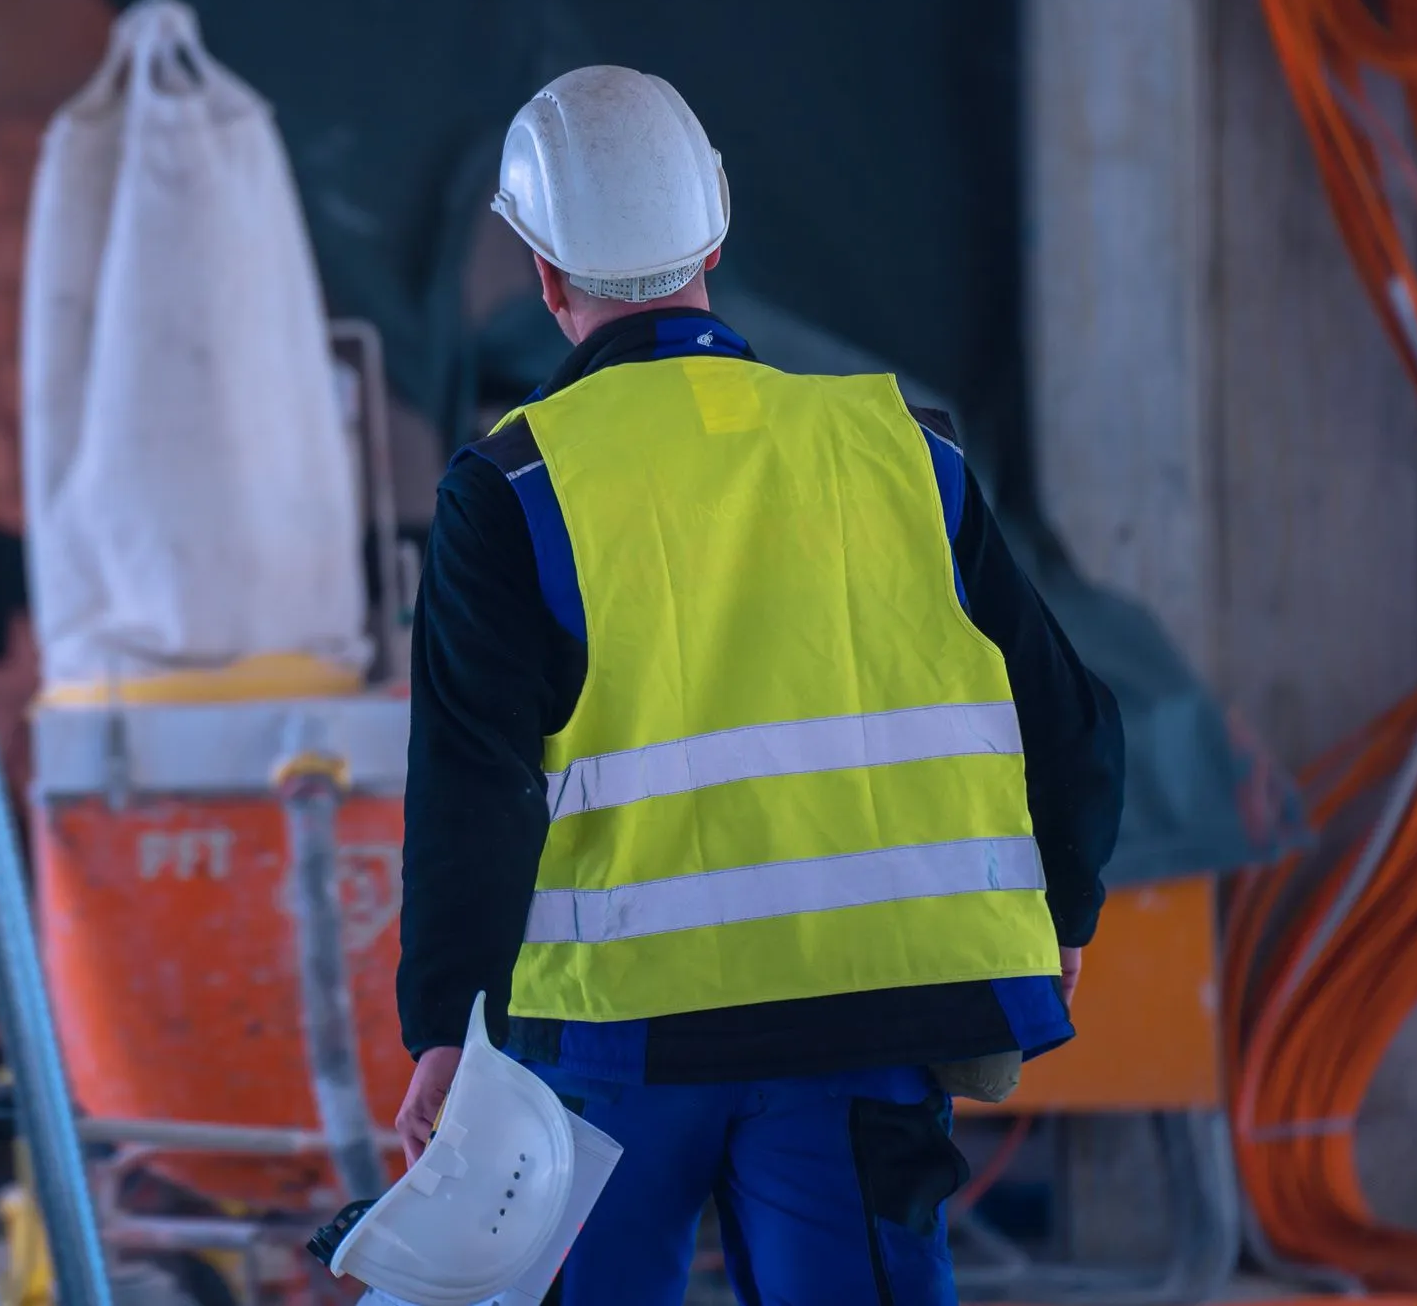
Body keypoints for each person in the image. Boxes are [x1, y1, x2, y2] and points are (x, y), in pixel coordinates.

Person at [392, 67, 1124, 1306]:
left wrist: (438, 1031)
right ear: (713, 236)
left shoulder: (510, 488)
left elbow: (474, 791)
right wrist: (1065, 905)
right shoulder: (904, 449)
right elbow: (1065, 715)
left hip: (608, 1053)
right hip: (862, 1031)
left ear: (544, 275)